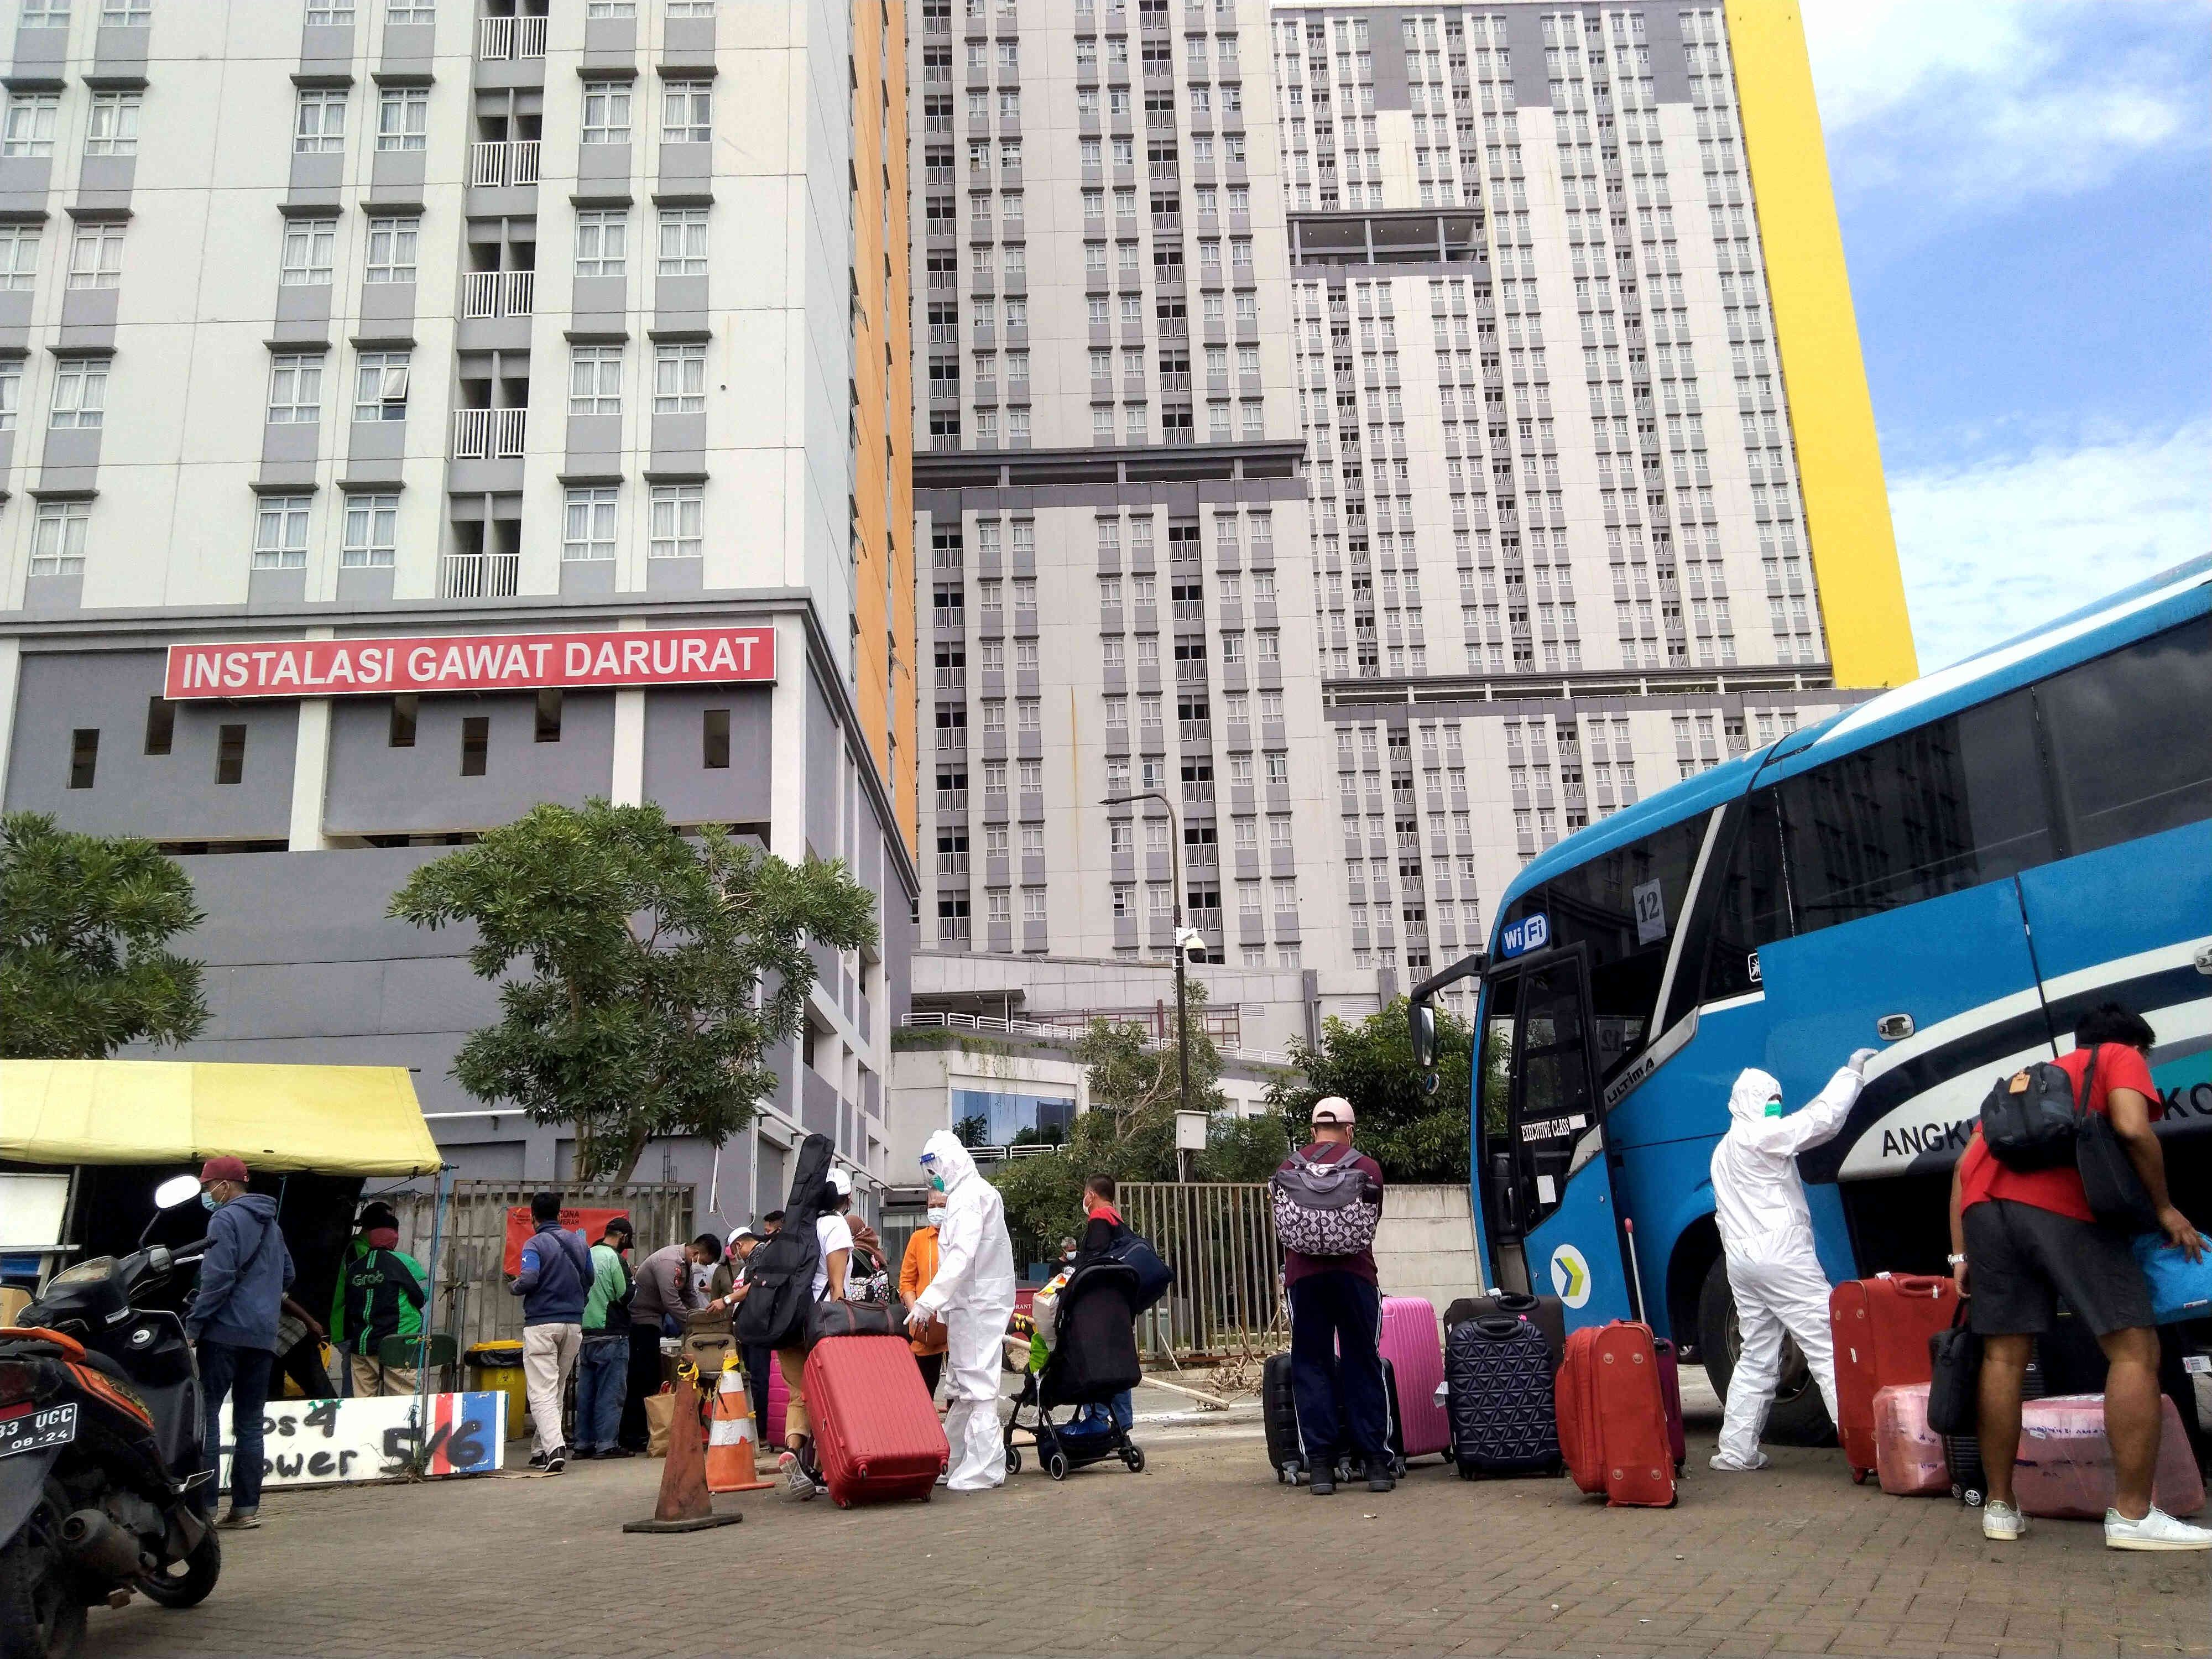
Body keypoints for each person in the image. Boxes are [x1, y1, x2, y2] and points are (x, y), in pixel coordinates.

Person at [1950, 1002, 2212, 1550]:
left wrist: (1960, 1255)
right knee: (2134, 1348)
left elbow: (1962, 1168)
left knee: (2004, 1357)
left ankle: (1999, 1508)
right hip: (2061, 1207)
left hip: (1983, 1213)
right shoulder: (2118, 1055)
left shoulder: (2027, 1081)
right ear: (2135, 1045)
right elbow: (2133, 1129)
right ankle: (2133, 1516)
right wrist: (2164, 1208)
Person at [1707, 1052, 1874, 1472]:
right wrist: (1850, 1074)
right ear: (1753, 1102)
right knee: (1828, 1344)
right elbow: (1821, 1120)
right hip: (1781, 1256)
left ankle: (1737, 1452)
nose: (1775, 1108)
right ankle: (1867, 1451)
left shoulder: (1723, 1150)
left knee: (1757, 1353)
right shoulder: (1761, 1136)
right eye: (1770, 1101)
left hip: (1741, 1262)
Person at [1282, 1098, 1392, 1497]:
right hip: (1356, 1276)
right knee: (1363, 1361)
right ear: (1349, 1130)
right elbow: (1373, 1222)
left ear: (1313, 1130)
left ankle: (1322, 1468)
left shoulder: (1288, 1168)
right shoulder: (1368, 1168)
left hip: (1304, 1279)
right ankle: (1376, 1464)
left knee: (1311, 1365)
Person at [185, 1155, 294, 1529]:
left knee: (208, 1416)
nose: (206, 1193)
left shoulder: (224, 1218)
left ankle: (206, 1511)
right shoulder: (272, 1225)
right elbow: (289, 1274)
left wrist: (195, 1325)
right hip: (262, 1336)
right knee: (250, 1423)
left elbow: (217, 1277)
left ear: (225, 1185)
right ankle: (246, 1511)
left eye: (207, 1187)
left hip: (224, 1332)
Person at [907, 1132, 1018, 1493]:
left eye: (934, 1169)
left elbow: (960, 1256)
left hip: (976, 1305)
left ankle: (984, 1467)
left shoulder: (970, 1197)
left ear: (949, 1162)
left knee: (978, 1387)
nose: (933, 1178)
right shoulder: (974, 1193)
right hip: (972, 1304)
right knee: (963, 1386)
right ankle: (952, 1459)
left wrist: (928, 1300)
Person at [776, 1170, 855, 1501]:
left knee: (800, 1394)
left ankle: (792, 1451)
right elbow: (837, 1287)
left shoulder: (797, 1226)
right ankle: (824, 1470)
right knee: (830, 1397)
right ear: (846, 1199)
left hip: (787, 1322)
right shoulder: (836, 1226)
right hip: (820, 1323)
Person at [508, 1192, 592, 1473]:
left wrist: (514, 1286)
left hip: (542, 1325)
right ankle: (541, 1450)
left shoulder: (534, 1243)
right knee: (555, 1387)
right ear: (559, 1214)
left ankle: (556, 1448)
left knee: (541, 1391)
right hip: (573, 1324)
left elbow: (529, 1278)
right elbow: (589, 1278)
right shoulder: (579, 1242)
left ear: (533, 1217)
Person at [330, 1201, 426, 1397]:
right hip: (396, 1341)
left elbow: (355, 1297)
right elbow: (422, 1295)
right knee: (403, 1400)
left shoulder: (357, 1265)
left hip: (361, 1340)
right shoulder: (403, 1262)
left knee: (362, 1400)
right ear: (394, 1236)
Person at [1068, 1174, 1135, 1436]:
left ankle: (1098, 1420)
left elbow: (1094, 1263)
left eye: (1085, 1194)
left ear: (1092, 1195)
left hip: (1098, 1306)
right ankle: (1122, 1422)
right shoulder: (1117, 1220)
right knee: (1119, 1360)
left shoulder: (1099, 1219)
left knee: (1095, 1360)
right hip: (1117, 1306)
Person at [574, 1218, 634, 1460]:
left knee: (586, 1392)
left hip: (586, 1333)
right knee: (610, 1392)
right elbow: (625, 1294)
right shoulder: (614, 1258)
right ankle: (607, 1444)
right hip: (612, 1333)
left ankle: (583, 1443)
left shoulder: (587, 1254)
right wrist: (634, 1281)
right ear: (624, 1238)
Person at [899, 1197, 950, 1397]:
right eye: (932, 1206)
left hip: (957, 1325)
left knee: (960, 1391)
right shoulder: (918, 1239)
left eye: (942, 1206)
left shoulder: (960, 1238)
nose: (936, 1210)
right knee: (924, 1388)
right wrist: (916, 1312)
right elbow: (907, 1282)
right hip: (926, 1327)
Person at [738, 1213, 784, 1432]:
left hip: (762, 1323)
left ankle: (763, 1427)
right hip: (758, 1322)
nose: (765, 1237)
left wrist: (728, 1299)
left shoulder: (767, 1254)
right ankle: (762, 1426)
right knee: (759, 1376)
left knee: (760, 1377)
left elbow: (755, 1286)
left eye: (768, 1232)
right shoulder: (772, 1252)